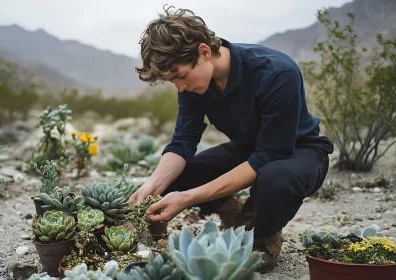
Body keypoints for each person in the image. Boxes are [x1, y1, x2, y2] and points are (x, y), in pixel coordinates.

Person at [128, 6, 334, 273]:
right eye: (172, 82)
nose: (180, 87)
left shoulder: (277, 72)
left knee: (275, 179)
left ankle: (264, 233)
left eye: (180, 76)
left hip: (299, 152)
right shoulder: (194, 83)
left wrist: (188, 198)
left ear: (203, 52)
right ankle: (235, 211)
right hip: (250, 150)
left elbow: (269, 156)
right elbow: (183, 142)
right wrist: (152, 185)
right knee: (178, 177)